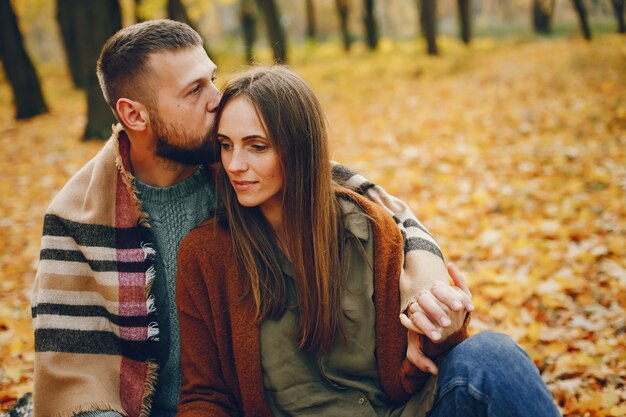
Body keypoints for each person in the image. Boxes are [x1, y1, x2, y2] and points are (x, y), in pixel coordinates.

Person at [30, 20, 469, 417]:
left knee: (489, 360)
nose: (216, 99)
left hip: (260, 400)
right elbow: (72, 373)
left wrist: (427, 288)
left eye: (213, 79)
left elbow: (384, 212)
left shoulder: (236, 167)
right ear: (133, 115)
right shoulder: (79, 216)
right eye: (194, 90)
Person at [175, 66, 562, 417]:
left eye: (256, 146)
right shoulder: (205, 254)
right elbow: (206, 395)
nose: (234, 165)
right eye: (225, 145)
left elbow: (423, 356)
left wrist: (444, 324)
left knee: (494, 354)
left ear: (298, 149)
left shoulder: (367, 227)